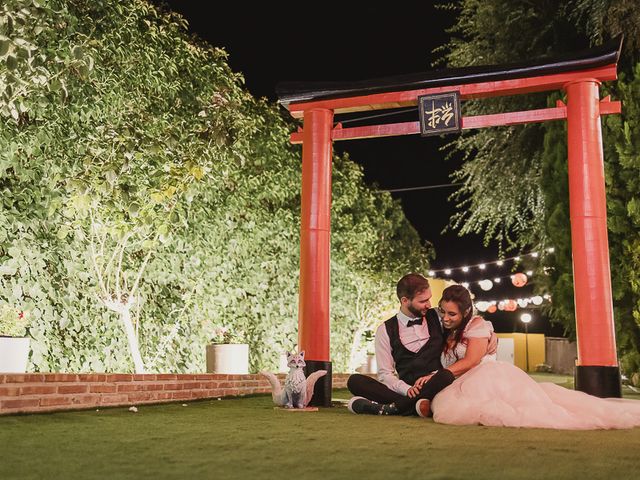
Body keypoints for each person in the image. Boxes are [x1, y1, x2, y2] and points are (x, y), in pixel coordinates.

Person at [430, 284, 640, 429]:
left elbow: (471, 361)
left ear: (466, 312)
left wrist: (439, 375)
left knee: (527, 411)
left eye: (452, 314)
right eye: (443, 312)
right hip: (461, 382)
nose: (446, 318)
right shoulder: (443, 327)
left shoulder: (477, 326)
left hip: (486, 378)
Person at [347, 273, 481, 416]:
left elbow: (465, 322)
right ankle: (416, 406)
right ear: (405, 301)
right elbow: (385, 374)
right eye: (423, 301)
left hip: (437, 385)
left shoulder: (438, 315)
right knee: (355, 381)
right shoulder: (385, 330)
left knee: (446, 376)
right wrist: (407, 390)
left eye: (429, 299)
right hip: (407, 390)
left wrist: (488, 336)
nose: (429, 304)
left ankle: (392, 408)